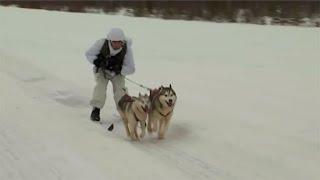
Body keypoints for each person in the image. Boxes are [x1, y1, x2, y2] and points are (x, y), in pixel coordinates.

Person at [85, 28, 135, 121]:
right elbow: (88, 54)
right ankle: (96, 110)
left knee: (120, 90)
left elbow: (131, 68)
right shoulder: (101, 43)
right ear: (110, 41)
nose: (116, 44)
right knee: (100, 87)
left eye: (119, 42)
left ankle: (124, 110)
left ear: (122, 42)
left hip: (117, 73)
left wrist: (119, 69)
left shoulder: (127, 49)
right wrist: (97, 61)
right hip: (102, 71)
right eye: (114, 42)